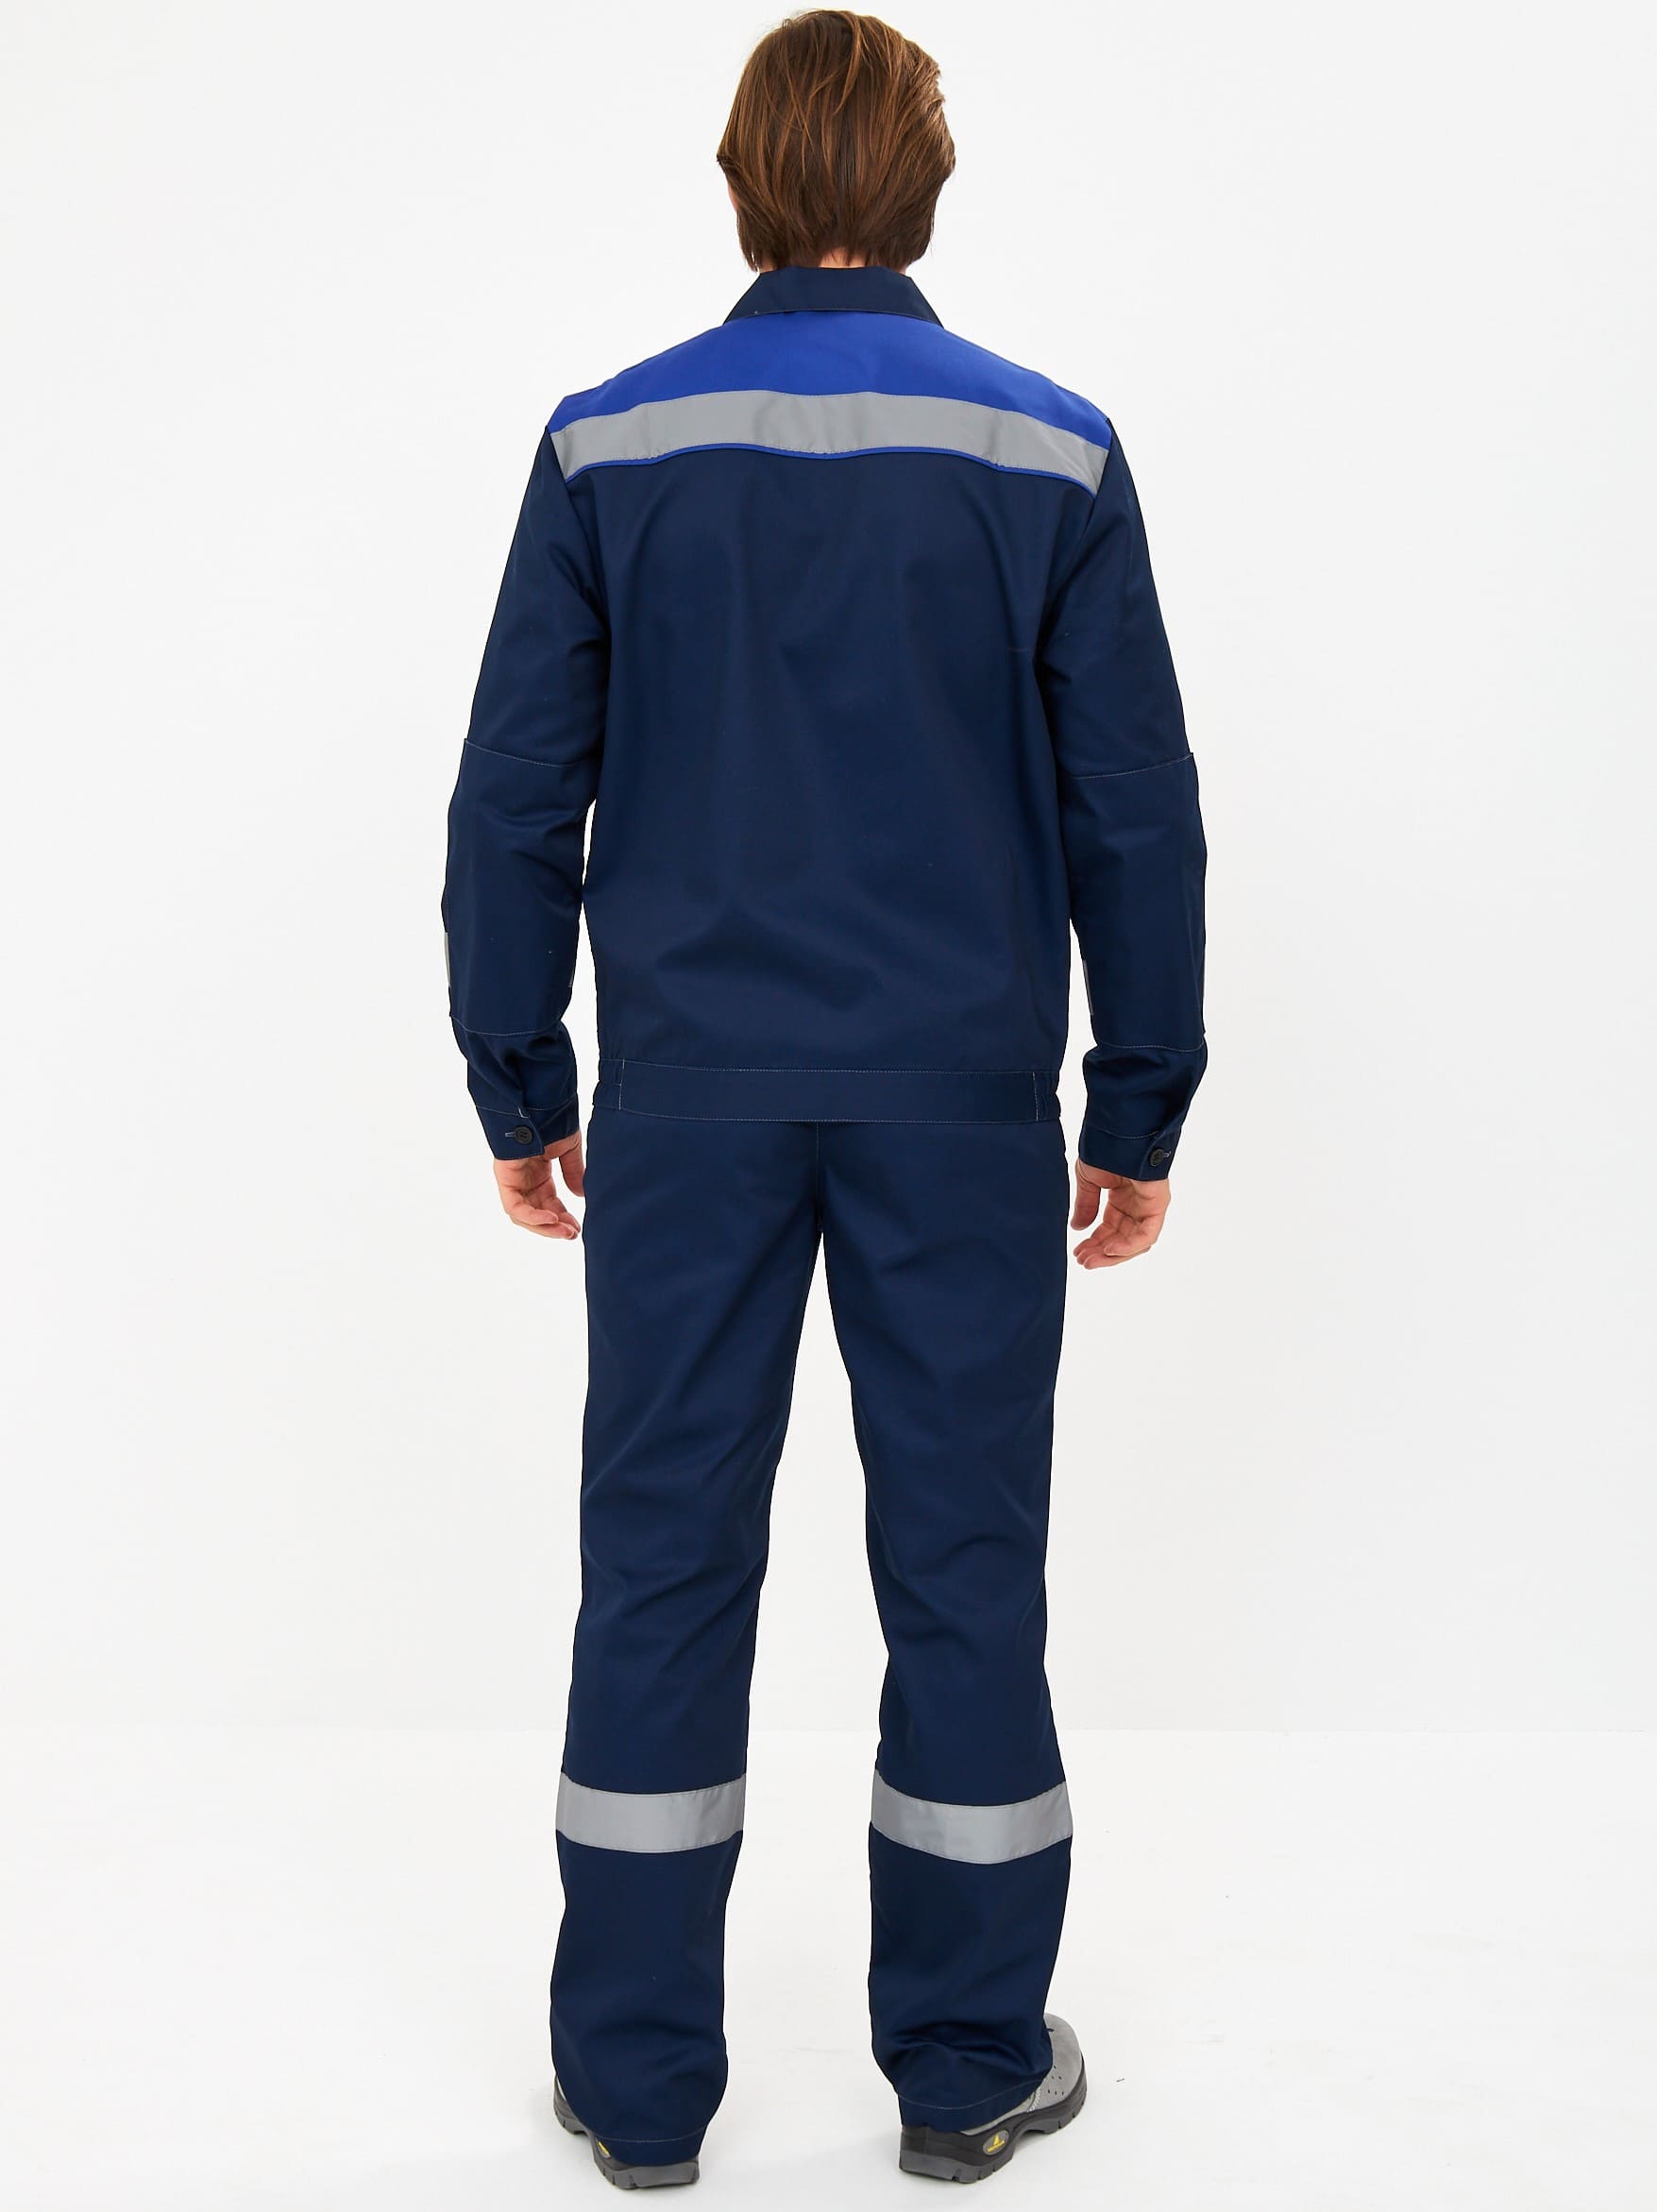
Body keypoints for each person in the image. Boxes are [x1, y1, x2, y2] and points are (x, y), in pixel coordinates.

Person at [442, 8, 1206, 2188]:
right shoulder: (1049, 450)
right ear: (926, 185)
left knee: (658, 1561)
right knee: (962, 1563)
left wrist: (519, 1071)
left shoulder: (607, 443)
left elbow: (514, 799)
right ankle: (963, 2068)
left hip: (685, 1102)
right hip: (959, 1101)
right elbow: (1134, 810)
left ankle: (636, 2088)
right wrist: (1134, 1102)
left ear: (742, 183)